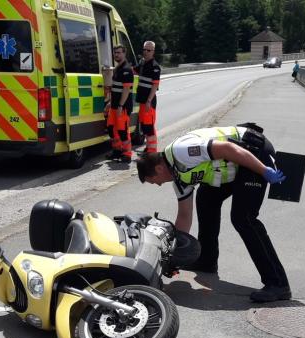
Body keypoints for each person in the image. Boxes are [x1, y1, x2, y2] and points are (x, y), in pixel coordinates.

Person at [135, 124, 293, 302]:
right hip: (234, 167)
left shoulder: (181, 152)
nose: (157, 185)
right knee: (205, 200)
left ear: (158, 169)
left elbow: (227, 148)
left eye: (154, 181)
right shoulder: (178, 180)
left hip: (252, 153)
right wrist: (175, 256)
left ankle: (278, 284)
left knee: (243, 218)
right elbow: (184, 216)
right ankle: (206, 260)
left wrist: (264, 170)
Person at [105, 45, 135, 163]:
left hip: (122, 107)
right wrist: (110, 103)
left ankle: (127, 154)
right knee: (112, 128)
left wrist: (120, 106)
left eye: (118, 53)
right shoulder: (117, 68)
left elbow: (126, 90)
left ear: (124, 53)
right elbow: (115, 89)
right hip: (114, 106)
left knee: (123, 131)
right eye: (115, 53)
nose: (116, 55)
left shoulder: (127, 69)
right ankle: (117, 151)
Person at [135, 41, 161, 154]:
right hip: (142, 101)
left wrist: (149, 101)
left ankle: (152, 151)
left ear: (153, 52)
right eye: (144, 49)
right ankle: (148, 148)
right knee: (144, 126)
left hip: (148, 102)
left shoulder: (155, 67)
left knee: (149, 127)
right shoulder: (142, 63)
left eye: (148, 50)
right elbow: (133, 70)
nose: (146, 52)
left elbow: (155, 85)